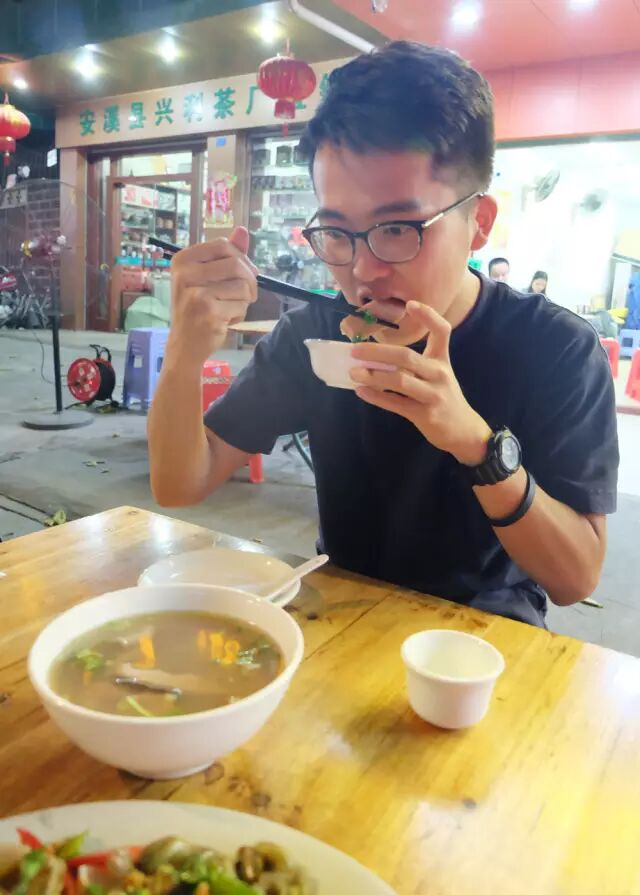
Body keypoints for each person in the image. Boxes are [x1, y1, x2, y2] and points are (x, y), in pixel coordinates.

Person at [148, 41, 618, 628]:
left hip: (487, 640)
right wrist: (184, 354)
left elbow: (576, 578)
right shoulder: (313, 336)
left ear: (479, 223)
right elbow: (180, 484)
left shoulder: (555, 348)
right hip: (343, 619)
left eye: (397, 228)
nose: (364, 270)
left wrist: (474, 443)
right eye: (336, 232)